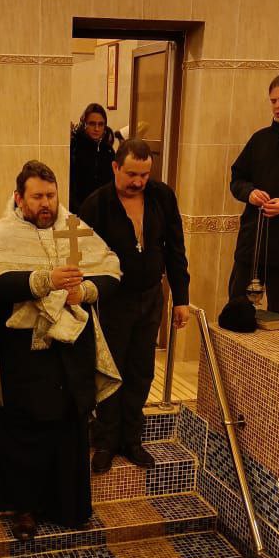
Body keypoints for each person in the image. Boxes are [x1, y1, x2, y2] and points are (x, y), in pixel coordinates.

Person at [0, 160, 121, 541]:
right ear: (19, 198)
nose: (46, 204)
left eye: (51, 195)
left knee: (70, 425)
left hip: (70, 352)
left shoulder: (74, 228)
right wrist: (44, 280)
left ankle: (68, 506)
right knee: (26, 431)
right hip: (24, 355)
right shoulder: (3, 234)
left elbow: (111, 270)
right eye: (37, 196)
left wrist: (84, 291)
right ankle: (24, 510)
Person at [81, 138, 190, 474]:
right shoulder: (97, 204)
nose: (138, 181)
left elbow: (175, 248)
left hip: (151, 297)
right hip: (113, 301)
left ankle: (131, 439)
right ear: (115, 167)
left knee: (141, 371)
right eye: (131, 174)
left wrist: (181, 299)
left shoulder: (162, 196)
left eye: (144, 174)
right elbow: (83, 259)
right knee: (110, 372)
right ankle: (105, 441)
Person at [228, 72, 279, 315]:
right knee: (236, 310)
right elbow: (237, 179)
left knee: (278, 315)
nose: (277, 106)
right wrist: (250, 193)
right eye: (273, 101)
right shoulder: (261, 139)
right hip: (252, 240)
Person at [69, 102, 115, 214]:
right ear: (84, 124)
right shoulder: (75, 148)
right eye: (92, 124)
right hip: (79, 208)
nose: (97, 128)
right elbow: (71, 184)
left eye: (101, 124)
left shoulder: (108, 151)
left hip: (103, 209)